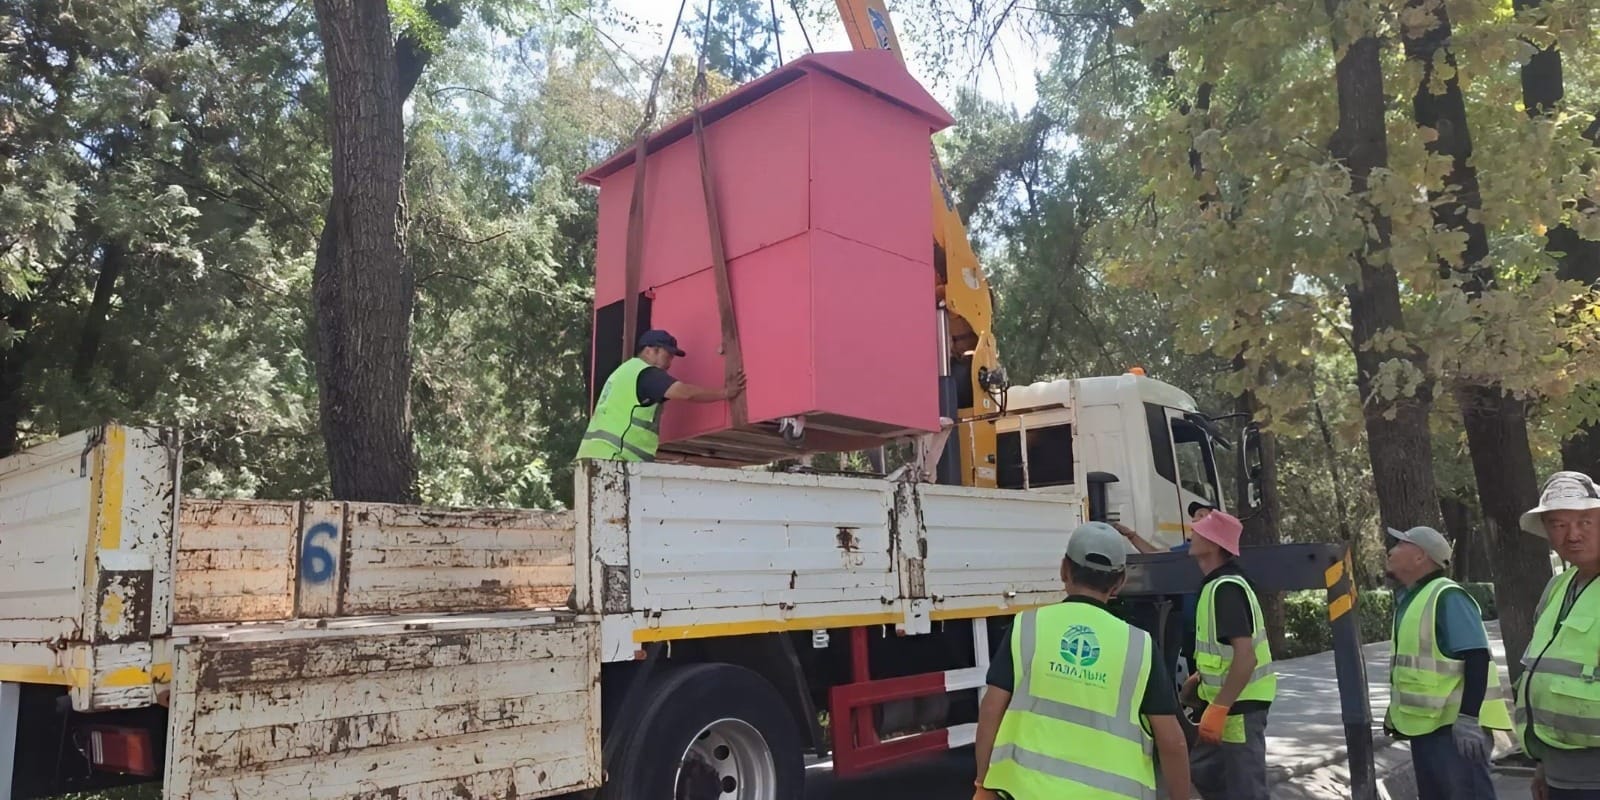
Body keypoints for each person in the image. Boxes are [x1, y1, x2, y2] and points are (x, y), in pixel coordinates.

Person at [974, 521, 1191, 800]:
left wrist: (983, 783)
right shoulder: (1139, 646)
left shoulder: (1027, 627)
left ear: (1064, 569)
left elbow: (991, 710)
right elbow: (1171, 741)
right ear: (1120, 582)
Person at [1382, 525, 1512, 800]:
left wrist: (1467, 719)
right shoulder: (1412, 598)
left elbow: (1476, 657)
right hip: (1430, 730)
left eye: (1400, 544)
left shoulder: (1447, 596)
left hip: (1456, 732)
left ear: (1420, 556)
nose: (1391, 551)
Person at [1516, 471, 1600, 800]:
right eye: (1558, 524)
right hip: (1561, 772)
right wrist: (1543, 766)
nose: (1572, 535)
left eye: (1585, 522)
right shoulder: (1558, 588)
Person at [1181, 510, 1275, 800]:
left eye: (1198, 531)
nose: (1191, 534)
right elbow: (1224, 654)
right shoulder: (1218, 586)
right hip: (1226, 706)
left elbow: (1246, 658)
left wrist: (1219, 708)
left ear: (1213, 543)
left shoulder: (1226, 589)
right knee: (1205, 773)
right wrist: (1201, 680)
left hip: (1237, 710)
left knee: (1245, 791)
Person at [575, 329, 745, 462]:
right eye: (667, 355)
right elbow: (685, 393)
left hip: (597, 456)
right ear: (650, 351)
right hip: (613, 458)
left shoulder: (626, 371)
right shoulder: (646, 373)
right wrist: (726, 393)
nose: (670, 363)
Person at [1116, 501, 1216, 676]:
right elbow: (1157, 556)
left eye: (1201, 514)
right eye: (1194, 516)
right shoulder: (1187, 550)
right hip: (1191, 629)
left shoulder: (1220, 556)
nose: (1195, 519)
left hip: (1211, 629)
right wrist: (1132, 536)